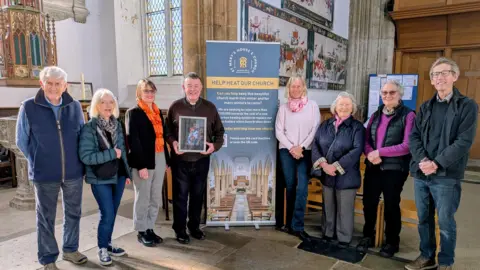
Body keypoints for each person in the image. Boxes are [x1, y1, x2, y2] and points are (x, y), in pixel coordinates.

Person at [405, 58, 478, 270]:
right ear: (432, 80)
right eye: (436, 74)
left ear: (455, 76)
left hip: (446, 175)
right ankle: (426, 256)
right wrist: (423, 160)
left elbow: (464, 141)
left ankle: (446, 262)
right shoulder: (426, 106)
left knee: (445, 223)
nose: (440, 77)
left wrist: (436, 163)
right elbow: (414, 137)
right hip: (422, 174)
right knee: (423, 220)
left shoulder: (467, 106)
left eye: (445, 72)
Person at [15, 66, 87, 270]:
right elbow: (21, 140)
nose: (54, 87)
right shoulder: (28, 107)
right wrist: (39, 160)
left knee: (74, 213)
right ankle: (48, 259)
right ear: (42, 84)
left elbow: (82, 136)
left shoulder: (74, 107)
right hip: (44, 173)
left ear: (65, 86)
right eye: (50, 83)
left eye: (58, 84)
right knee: (46, 218)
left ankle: (71, 249)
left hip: (73, 171)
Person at [356, 80, 415, 257]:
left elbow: (407, 145)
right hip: (373, 165)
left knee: (391, 204)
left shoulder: (409, 115)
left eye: (392, 92)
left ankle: (391, 241)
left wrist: (380, 152)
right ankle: (368, 235)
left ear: (400, 94)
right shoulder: (375, 115)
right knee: (369, 202)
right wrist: (370, 154)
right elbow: (365, 140)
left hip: (395, 168)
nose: (387, 96)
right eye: (384, 93)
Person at [166, 72, 225, 244]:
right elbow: (167, 131)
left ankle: (194, 227)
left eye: (196, 86)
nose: (192, 89)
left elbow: (220, 133)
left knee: (198, 195)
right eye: (189, 86)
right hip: (180, 161)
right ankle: (179, 229)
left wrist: (214, 146)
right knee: (180, 197)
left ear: (201, 88)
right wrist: (173, 143)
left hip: (201, 160)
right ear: (183, 87)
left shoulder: (210, 108)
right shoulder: (175, 107)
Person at [78, 89, 131, 265]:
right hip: (100, 178)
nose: (108, 106)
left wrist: (127, 173)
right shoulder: (89, 128)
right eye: (103, 102)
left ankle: (108, 245)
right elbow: (86, 157)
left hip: (119, 176)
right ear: (96, 105)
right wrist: (110, 154)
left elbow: (122, 152)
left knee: (113, 213)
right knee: (106, 213)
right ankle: (101, 248)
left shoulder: (118, 124)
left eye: (111, 102)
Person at [311, 92, 364, 248]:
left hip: (347, 174)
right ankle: (328, 233)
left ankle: (343, 238)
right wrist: (323, 165)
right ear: (335, 107)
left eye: (348, 104)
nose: (344, 107)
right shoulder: (325, 124)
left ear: (352, 108)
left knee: (344, 208)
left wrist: (335, 166)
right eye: (341, 104)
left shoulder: (357, 127)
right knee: (328, 206)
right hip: (326, 172)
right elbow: (315, 145)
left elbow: (356, 149)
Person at [125, 79, 171, 247]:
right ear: (139, 93)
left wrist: (166, 159)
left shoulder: (157, 112)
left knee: (155, 196)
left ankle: (150, 227)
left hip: (159, 157)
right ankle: (141, 230)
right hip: (144, 160)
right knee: (143, 196)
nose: (150, 94)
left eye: (152, 91)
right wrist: (141, 165)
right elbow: (133, 141)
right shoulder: (134, 112)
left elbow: (162, 137)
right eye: (146, 91)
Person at [275, 76, 320, 240]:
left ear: (303, 87)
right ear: (288, 88)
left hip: (305, 151)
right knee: (291, 185)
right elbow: (279, 131)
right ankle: (288, 224)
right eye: (292, 86)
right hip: (286, 151)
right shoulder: (284, 108)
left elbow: (315, 128)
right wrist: (292, 147)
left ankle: (298, 226)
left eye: (298, 86)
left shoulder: (313, 106)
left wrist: (301, 147)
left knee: (302, 186)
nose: (295, 89)